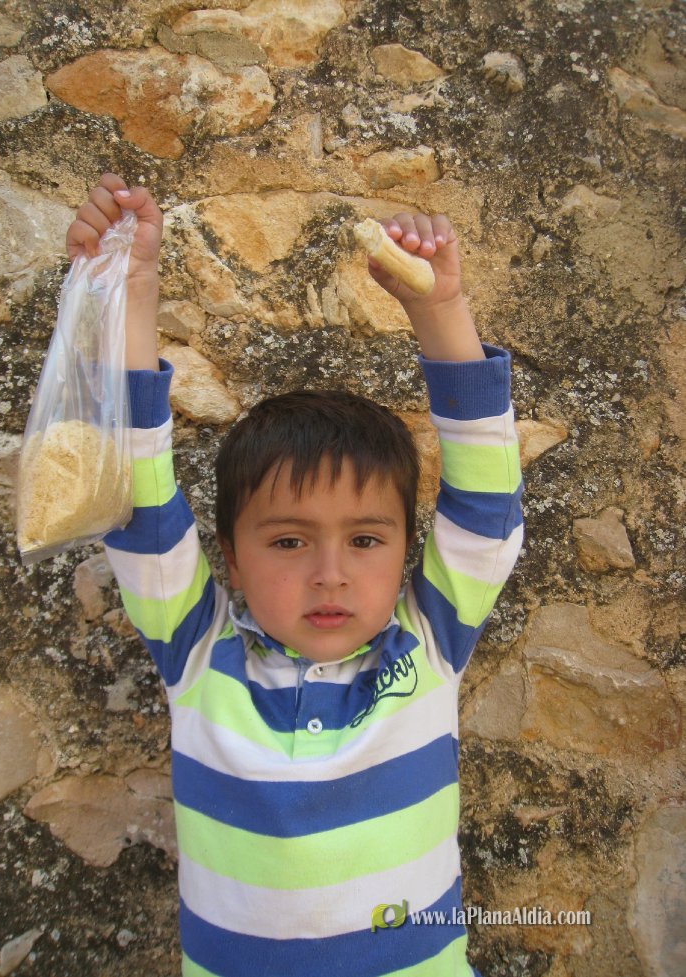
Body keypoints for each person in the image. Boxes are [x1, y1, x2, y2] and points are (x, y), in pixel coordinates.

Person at [66, 173, 524, 977]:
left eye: (365, 540)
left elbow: (486, 506)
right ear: (230, 562)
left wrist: (439, 308)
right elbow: (139, 501)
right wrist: (130, 291)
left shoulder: (429, 642)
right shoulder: (197, 653)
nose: (329, 575)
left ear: (408, 550)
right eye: (286, 542)